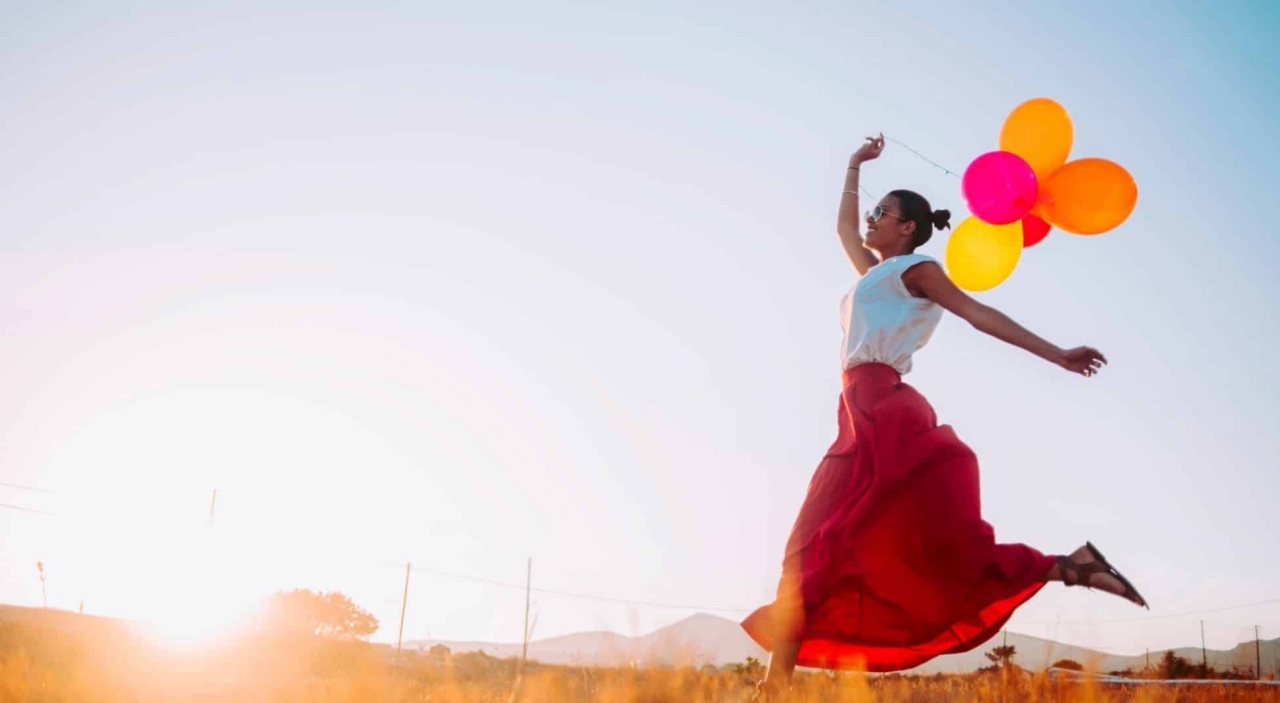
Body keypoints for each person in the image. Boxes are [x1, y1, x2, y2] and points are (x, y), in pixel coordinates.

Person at [740, 133, 1147, 700]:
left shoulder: (918, 270)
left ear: (906, 227)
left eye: (882, 213)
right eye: (874, 211)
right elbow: (841, 230)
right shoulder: (871, 273)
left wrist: (1056, 353)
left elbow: (978, 314)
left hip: (885, 411)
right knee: (814, 546)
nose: (871, 220)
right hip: (856, 413)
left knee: (878, 549)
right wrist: (855, 165)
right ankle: (1071, 567)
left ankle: (771, 689)